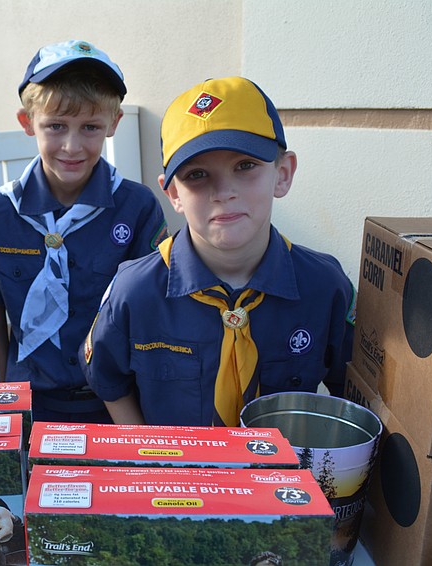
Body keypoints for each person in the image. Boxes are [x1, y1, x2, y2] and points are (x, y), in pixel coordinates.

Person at [81, 76, 356, 427]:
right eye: (197, 174)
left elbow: (352, 391)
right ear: (173, 194)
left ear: (283, 174)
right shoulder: (134, 291)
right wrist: (146, 452)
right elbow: (108, 380)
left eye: (245, 166)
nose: (224, 192)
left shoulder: (325, 286)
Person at [0, 39, 168, 423]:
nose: (72, 146)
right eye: (56, 126)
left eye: (90, 127)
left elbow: (150, 314)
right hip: (28, 406)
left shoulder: (137, 208)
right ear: (27, 122)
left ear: (114, 124)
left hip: (114, 406)